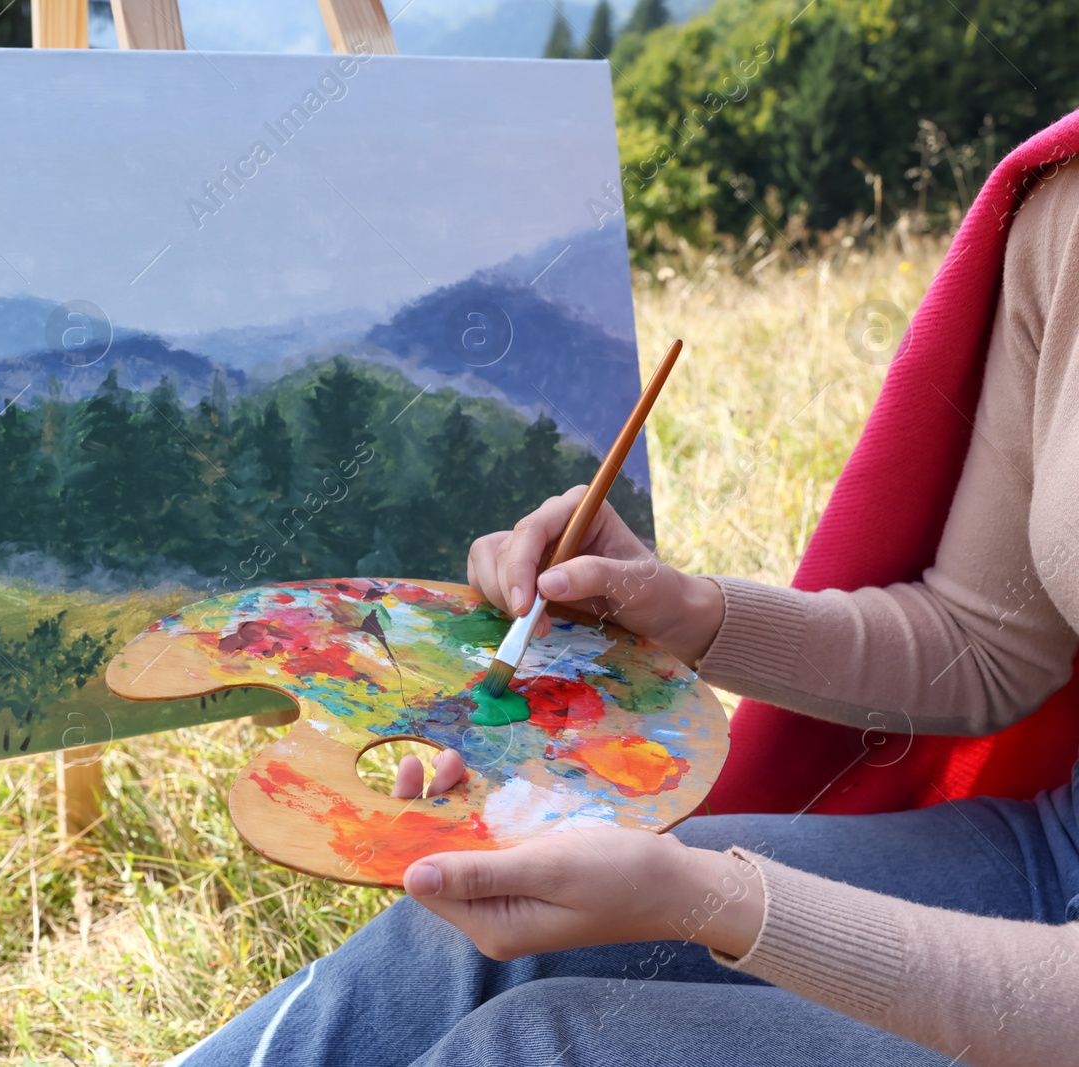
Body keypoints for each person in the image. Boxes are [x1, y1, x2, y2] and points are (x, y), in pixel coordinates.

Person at [165, 154, 1079, 1065]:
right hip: (1051, 850)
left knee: (541, 1048)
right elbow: (985, 644)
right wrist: (681, 612)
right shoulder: (1065, 214)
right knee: (459, 946)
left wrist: (710, 903)